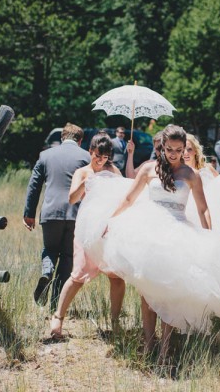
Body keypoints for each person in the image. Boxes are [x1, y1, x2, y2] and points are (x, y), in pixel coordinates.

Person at [101, 124, 217, 360]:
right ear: (162, 147)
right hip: (149, 232)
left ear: (185, 148)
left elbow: (203, 210)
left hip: (177, 233)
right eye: (169, 149)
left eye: (178, 149)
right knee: (147, 289)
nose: (173, 153)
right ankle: (148, 341)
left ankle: (165, 348)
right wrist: (111, 220)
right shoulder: (147, 169)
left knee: (168, 292)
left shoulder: (190, 175)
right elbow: (129, 198)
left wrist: (209, 238)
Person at [49, 133, 127, 339]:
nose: (101, 160)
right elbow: (72, 198)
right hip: (87, 228)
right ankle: (58, 316)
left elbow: (123, 195)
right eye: (97, 156)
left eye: (105, 157)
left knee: (116, 276)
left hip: (109, 228)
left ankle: (115, 321)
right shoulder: (82, 172)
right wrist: (88, 182)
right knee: (78, 275)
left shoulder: (113, 171)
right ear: (90, 152)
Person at [23, 123, 90, 310]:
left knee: (50, 249)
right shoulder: (86, 157)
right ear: (80, 140)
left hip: (50, 213)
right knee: (68, 257)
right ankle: (55, 303)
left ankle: (46, 271)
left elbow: (34, 186)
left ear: (62, 138)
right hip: (75, 214)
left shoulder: (45, 156)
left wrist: (29, 214)